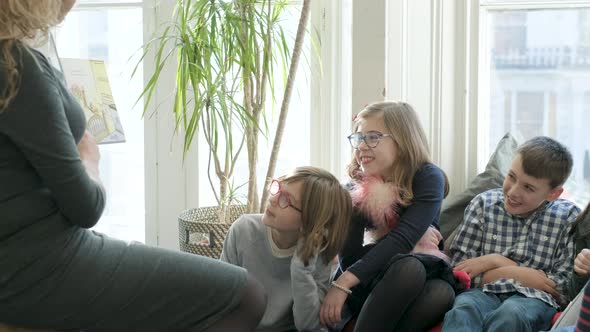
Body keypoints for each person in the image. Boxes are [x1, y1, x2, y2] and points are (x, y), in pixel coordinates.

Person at [0, 1, 265, 331]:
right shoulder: (16, 67)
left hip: (16, 264)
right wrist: (88, 154)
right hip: (39, 269)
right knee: (247, 296)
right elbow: (86, 207)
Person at [320, 101, 458, 331]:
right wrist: (345, 281)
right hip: (369, 279)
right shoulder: (355, 189)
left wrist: (343, 282)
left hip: (414, 277)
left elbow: (404, 238)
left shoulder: (428, 177)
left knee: (442, 292)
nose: (361, 146)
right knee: (409, 269)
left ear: (403, 140)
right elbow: (348, 259)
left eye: (372, 137)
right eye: (358, 138)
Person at [442, 136, 580, 332]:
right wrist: (504, 265)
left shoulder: (568, 217)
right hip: (482, 293)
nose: (513, 192)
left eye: (528, 187)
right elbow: (460, 273)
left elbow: (561, 288)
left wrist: (490, 266)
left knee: (511, 314)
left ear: (553, 194)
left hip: (533, 299)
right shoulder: (483, 204)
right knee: (463, 310)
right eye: (511, 177)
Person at [220, 166, 352, 332]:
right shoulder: (244, 230)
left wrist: (301, 267)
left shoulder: (320, 253)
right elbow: (222, 299)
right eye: (277, 188)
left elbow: (309, 325)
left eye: (286, 200)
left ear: (309, 220)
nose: (273, 199)